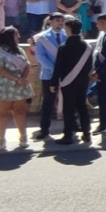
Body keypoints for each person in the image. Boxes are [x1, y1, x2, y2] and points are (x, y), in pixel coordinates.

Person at [0, 27, 34, 152]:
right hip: (3, 86)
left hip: (19, 85)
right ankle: (1, 139)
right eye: (16, 35)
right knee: (3, 113)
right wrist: (16, 79)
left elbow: (26, 65)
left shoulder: (19, 50)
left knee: (20, 111)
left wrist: (23, 78)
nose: (19, 37)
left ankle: (23, 137)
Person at [50, 17, 93, 145]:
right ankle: (86, 133)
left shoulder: (64, 46)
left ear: (68, 29)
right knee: (82, 107)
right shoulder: (87, 46)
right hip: (83, 81)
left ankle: (68, 135)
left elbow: (58, 67)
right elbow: (89, 66)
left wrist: (53, 83)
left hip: (67, 82)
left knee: (68, 108)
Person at [32, 12, 67, 141]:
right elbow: (40, 56)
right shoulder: (42, 37)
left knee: (69, 101)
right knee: (48, 103)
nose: (60, 22)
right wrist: (55, 71)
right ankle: (44, 129)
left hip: (66, 74)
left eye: (62, 20)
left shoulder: (67, 35)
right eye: (57, 20)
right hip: (48, 75)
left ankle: (72, 126)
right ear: (50, 22)